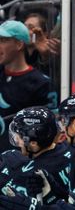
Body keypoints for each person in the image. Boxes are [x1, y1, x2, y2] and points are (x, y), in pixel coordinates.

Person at [0, 20, 53, 152]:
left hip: (18, 162)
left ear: (18, 44)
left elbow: (46, 131)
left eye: (3, 40)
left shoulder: (41, 83)